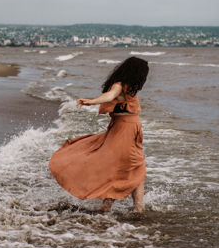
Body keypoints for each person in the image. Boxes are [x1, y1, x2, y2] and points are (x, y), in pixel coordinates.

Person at [49, 56, 149, 213]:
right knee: (126, 173)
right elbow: (109, 96)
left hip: (130, 135)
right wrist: (91, 101)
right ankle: (112, 209)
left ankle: (135, 209)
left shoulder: (127, 87)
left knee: (138, 172)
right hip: (123, 135)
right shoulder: (119, 86)